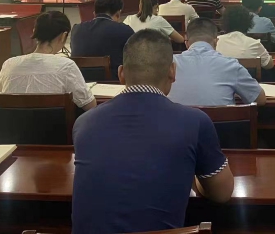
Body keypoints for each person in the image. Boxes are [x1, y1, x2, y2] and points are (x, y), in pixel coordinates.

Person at [72, 30, 234, 234]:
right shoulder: (195, 121)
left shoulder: (83, 123)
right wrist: (197, 180)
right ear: (172, 72)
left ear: (121, 74)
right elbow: (222, 193)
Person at [0, 11, 96, 112]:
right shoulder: (66, 66)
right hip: (54, 123)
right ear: (63, 36)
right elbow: (90, 106)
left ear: (34, 32)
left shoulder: (9, 64)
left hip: (13, 123)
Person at [169, 18, 266, 106]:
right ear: (216, 41)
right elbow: (260, 100)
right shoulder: (231, 65)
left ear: (186, 43)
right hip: (220, 120)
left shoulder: (170, 64)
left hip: (177, 120)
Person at [70, 0, 135, 79]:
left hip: (80, 82)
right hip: (114, 84)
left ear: (94, 14)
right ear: (118, 14)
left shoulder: (76, 30)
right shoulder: (125, 31)